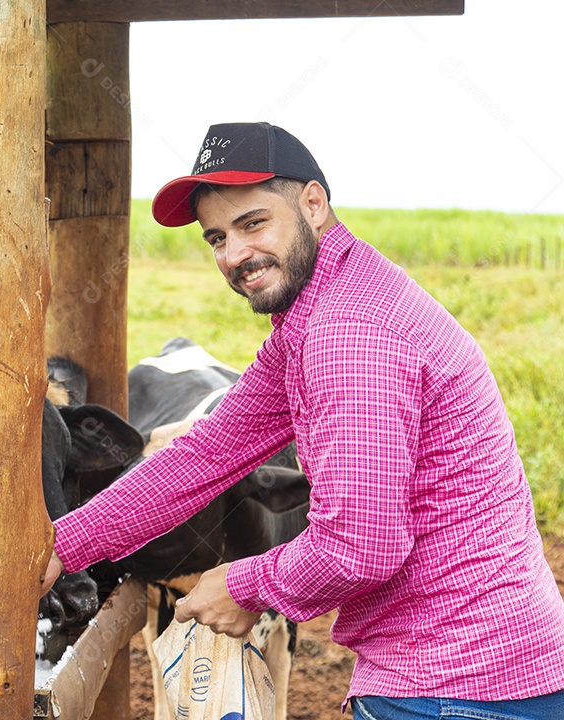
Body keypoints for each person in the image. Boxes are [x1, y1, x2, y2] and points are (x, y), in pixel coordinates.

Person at [40, 122, 564, 719]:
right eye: (216, 238)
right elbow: (207, 453)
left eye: (253, 223)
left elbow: (359, 546)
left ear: (312, 204)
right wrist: (66, 543)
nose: (234, 256)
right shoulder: (321, 310)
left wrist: (242, 585)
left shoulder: (347, 333)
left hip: (453, 685)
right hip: (480, 666)